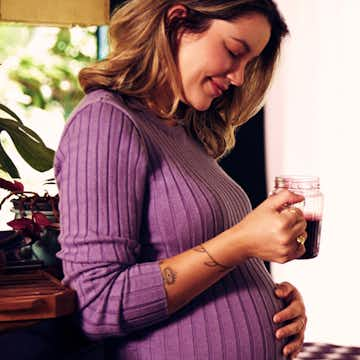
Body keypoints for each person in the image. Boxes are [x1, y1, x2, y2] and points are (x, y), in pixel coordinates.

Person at [54, 0, 307, 359]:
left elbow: (203, 265)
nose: (239, 77)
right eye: (234, 51)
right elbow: (98, 304)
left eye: (249, 64)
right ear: (177, 22)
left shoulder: (182, 133)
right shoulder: (104, 122)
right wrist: (241, 243)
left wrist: (275, 302)